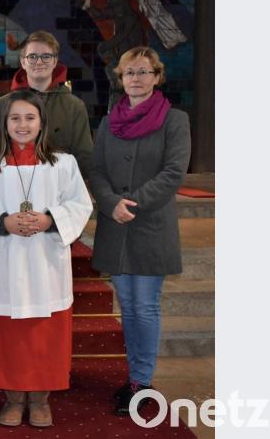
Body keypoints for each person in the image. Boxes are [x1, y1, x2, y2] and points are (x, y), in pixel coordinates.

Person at [0, 90, 93, 428]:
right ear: (4, 123)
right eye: (15, 118)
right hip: (6, 264)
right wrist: (2, 222)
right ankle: (12, 397)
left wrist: (50, 219)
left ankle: (40, 399)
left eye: (29, 118)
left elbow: (80, 204)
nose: (22, 125)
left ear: (42, 123)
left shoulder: (63, 164)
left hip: (46, 265)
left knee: (44, 337)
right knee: (7, 336)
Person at [88, 46, 191, 416]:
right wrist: (109, 201)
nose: (136, 78)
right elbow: (96, 169)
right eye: (129, 72)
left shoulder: (175, 120)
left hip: (149, 225)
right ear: (121, 78)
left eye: (143, 72)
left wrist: (131, 203)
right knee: (128, 306)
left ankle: (142, 383)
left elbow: (174, 172)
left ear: (157, 76)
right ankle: (133, 378)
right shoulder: (108, 121)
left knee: (144, 307)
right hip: (116, 225)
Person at [0, 30, 93, 177]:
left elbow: (85, 157)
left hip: (59, 190)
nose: (39, 62)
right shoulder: (2, 105)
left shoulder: (74, 106)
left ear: (55, 61)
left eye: (46, 56)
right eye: (32, 56)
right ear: (23, 62)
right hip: (9, 187)